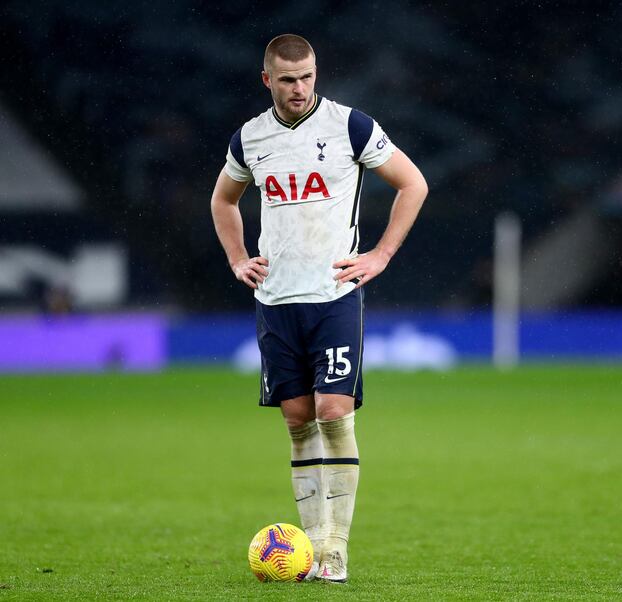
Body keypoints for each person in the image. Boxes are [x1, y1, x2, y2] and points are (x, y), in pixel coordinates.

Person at [210, 34, 427, 583]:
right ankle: (306, 551)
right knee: (298, 420)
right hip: (277, 300)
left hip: (334, 293)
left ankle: (335, 548)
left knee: (333, 411)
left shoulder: (350, 126)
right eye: (287, 79)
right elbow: (223, 199)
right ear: (268, 81)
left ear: (316, 74)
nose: (299, 88)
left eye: (306, 76)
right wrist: (239, 259)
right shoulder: (249, 140)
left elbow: (412, 183)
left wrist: (379, 255)